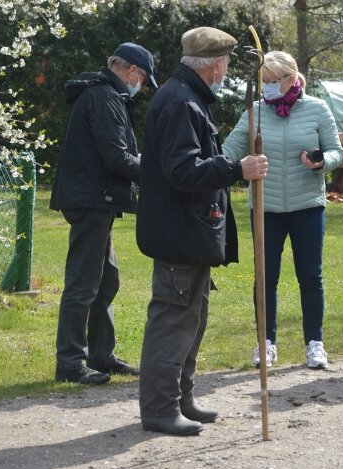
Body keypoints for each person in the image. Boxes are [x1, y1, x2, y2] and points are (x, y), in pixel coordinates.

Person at [136, 27, 268, 436]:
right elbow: (182, 170)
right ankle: (160, 409)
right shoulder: (180, 102)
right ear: (215, 64)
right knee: (173, 322)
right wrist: (236, 169)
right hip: (178, 233)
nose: (227, 70)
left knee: (191, 319)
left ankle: (181, 399)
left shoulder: (188, 98)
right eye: (226, 63)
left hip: (189, 233)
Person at [222, 51, 343, 370]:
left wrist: (320, 162)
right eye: (264, 82)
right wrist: (235, 166)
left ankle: (314, 344)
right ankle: (266, 344)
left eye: (273, 82)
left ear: (292, 79)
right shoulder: (255, 112)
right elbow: (228, 151)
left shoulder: (316, 108)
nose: (267, 88)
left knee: (310, 276)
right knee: (265, 277)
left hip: (307, 206)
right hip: (266, 207)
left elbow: (336, 152)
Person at [50, 42, 158, 385]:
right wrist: (159, 172)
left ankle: (100, 354)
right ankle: (70, 362)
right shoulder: (105, 98)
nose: (141, 87)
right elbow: (117, 157)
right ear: (130, 71)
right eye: (142, 79)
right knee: (83, 282)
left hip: (98, 198)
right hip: (92, 199)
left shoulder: (104, 95)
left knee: (107, 278)